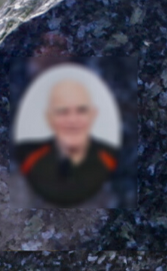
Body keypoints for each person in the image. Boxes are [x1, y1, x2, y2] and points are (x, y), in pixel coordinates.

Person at [19, 75, 117, 206]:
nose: (72, 120)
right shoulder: (29, 160)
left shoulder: (112, 160)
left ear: (93, 114)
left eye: (81, 110)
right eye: (62, 111)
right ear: (49, 116)